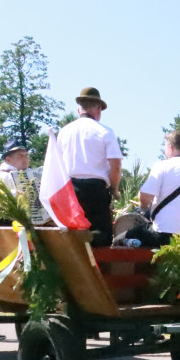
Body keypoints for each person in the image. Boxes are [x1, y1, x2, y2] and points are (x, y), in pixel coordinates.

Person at [56, 87, 122, 246]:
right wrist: (113, 188)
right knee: (101, 237)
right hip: (96, 190)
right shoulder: (105, 132)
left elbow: (56, 165)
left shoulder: (64, 132)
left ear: (80, 109)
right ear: (98, 109)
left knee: (72, 236)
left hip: (71, 189)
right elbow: (116, 164)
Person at [0, 139, 49, 225]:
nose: (25, 159)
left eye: (26, 155)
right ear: (8, 160)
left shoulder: (34, 173)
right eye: (20, 156)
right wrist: (13, 194)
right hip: (9, 223)